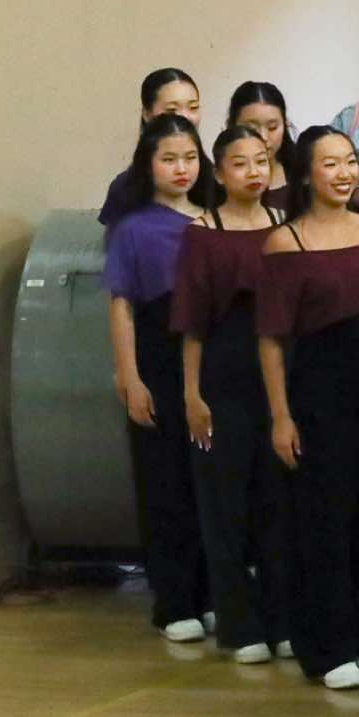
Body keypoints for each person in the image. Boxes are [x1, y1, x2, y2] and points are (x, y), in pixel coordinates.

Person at [258, 126, 359, 690]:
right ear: (304, 174)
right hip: (319, 393)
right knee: (325, 519)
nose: (344, 174)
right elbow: (272, 338)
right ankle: (328, 646)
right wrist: (280, 414)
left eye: (350, 162)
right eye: (330, 164)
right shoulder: (286, 242)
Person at [171, 125, 288, 663]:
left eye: (261, 160)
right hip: (223, 375)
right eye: (240, 164)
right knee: (226, 505)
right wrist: (192, 394)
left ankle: (283, 619)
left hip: (279, 377)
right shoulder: (203, 233)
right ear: (219, 174)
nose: (254, 172)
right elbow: (192, 323)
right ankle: (240, 627)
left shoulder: (286, 225)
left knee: (277, 502)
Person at [103, 113, 212, 643]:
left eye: (189, 157)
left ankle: (213, 593)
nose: (181, 168)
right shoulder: (133, 229)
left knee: (209, 481)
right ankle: (174, 601)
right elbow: (121, 305)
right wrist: (130, 375)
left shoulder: (215, 219)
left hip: (212, 358)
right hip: (158, 357)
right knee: (165, 480)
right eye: (169, 159)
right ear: (148, 165)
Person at [100, 67, 206, 228]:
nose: (186, 117)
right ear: (147, 114)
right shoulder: (124, 188)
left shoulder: (218, 181)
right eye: (172, 109)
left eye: (193, 107)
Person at [228, 80, 298, 210]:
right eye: (251, 129)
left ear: (285, 125)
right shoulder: (218, 180)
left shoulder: (303, 175)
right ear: (232, 126)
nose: (263, 137)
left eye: (272, 127)